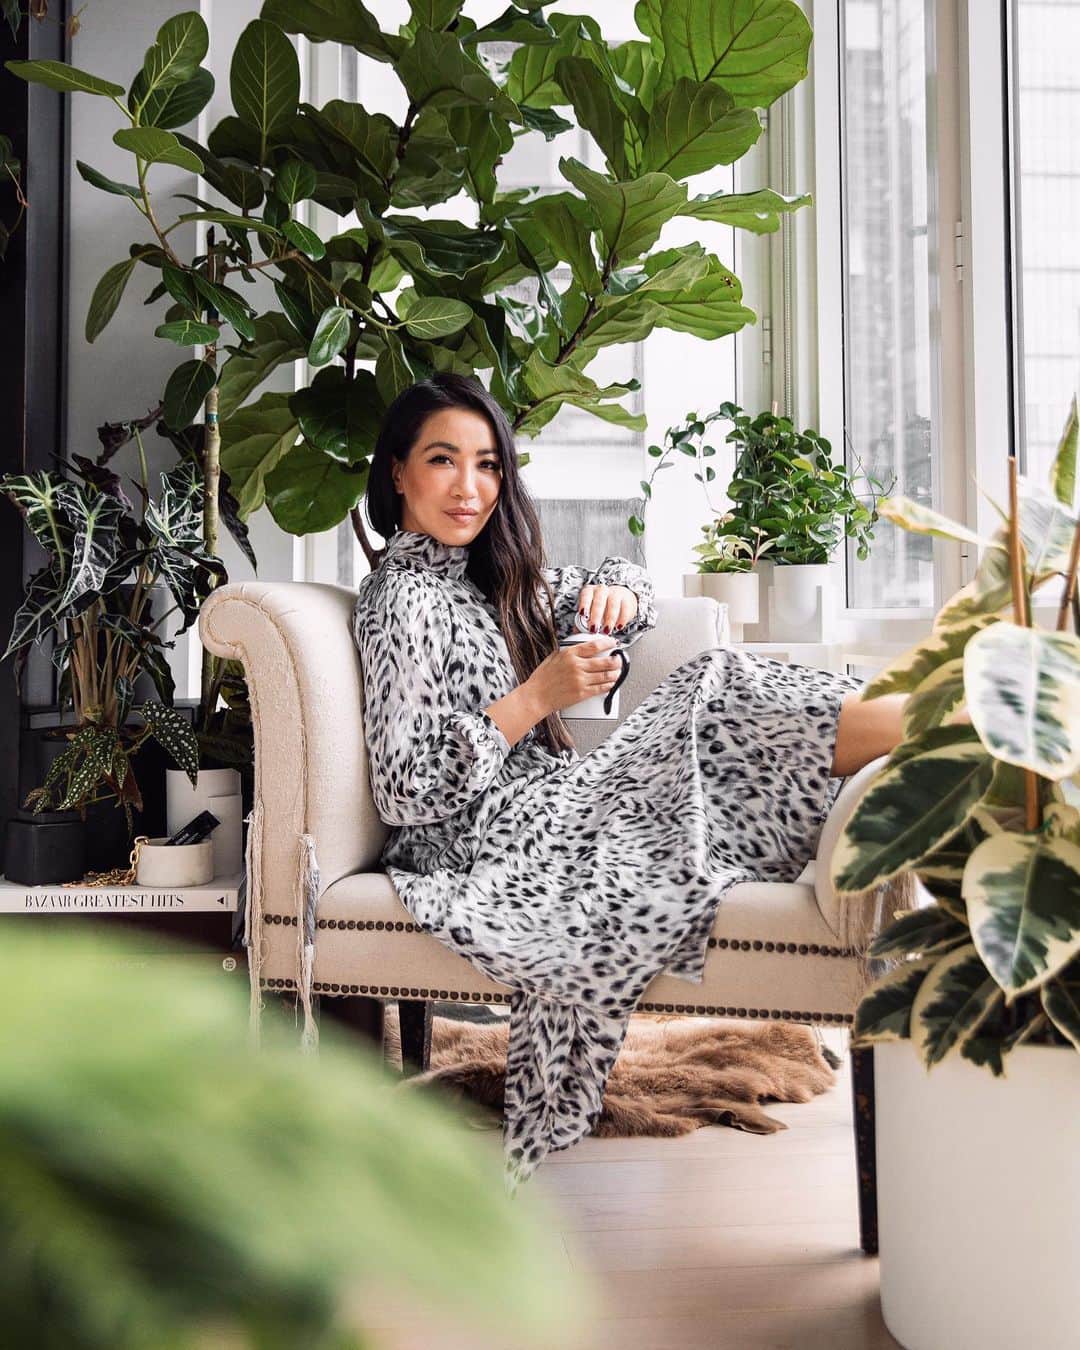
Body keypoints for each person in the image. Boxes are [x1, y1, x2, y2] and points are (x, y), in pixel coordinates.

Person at [351, 372, 905, 1190]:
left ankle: (963, 718)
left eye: (488, 464)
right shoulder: (398, 599)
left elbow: (622, 585)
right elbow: (404, 788)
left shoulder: (484, 578)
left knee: (722, 707)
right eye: (443, 460)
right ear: (398, 472)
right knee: (713, 690)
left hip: (554, 812)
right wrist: (534, 698)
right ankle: (968, 715)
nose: (470, 487)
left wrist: (617, 589)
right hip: (492, 847)